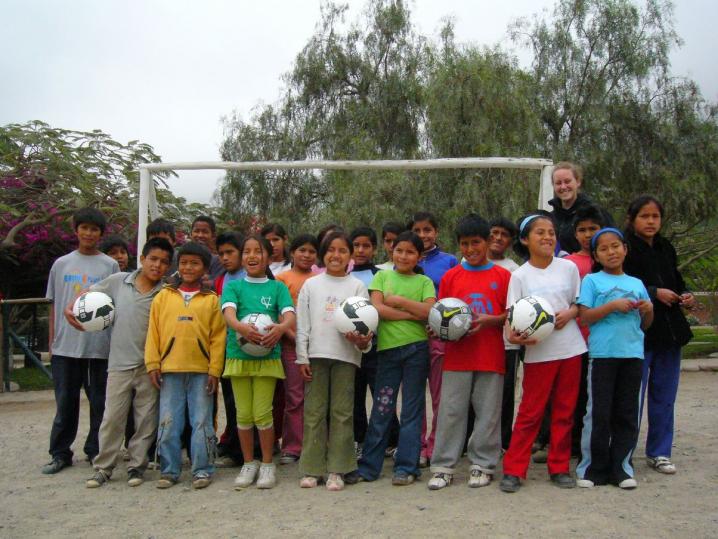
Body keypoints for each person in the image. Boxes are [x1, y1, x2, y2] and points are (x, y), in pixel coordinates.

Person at [499, 213, 587, 493]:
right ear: (525, 239)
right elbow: (512, 314)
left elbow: (579, 303)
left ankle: (559, 467)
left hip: (571, 349)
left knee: (565, 410)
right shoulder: (520, 276)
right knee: (530, 412)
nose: (548, 237)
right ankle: (514, 469)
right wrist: (514, 335)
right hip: (539, 353)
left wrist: (570, 313)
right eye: (540, 232)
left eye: (551, 231)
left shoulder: (568, 268)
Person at [81, 238, 173, 488]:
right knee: (112, 418)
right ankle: (103, 467)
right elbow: (87, 298)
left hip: (149, 366)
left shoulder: (165, 293)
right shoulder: (118, 282)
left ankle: (137, 466)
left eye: (164, 262)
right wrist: (73, 310)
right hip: (119, 364)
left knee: (145, 419)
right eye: (153, 259)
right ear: (142, 259)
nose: (157, 265)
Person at [427, 215, 510, 490]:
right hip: (457, 357)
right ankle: (442, 466)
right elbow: (442, 313)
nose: (471, 249)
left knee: (488, 413)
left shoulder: (503, 276)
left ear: (488, 242)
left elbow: (510, 316)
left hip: (490, 356)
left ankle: (483, 464)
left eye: (476, 242)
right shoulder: (451, 277)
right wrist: (438, 328)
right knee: (451, 411)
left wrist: (490, 320)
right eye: (464, 244)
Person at [42, 207, 120, 475]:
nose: (89, 233)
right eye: (84, 228)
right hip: (66, 347)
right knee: (65, 402)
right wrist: (52, 343)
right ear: (76, 230)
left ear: (100, 233)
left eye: (94, 229)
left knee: (99, 401)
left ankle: (95, 450)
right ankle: (60, 452)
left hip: (98, 347)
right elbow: (54, 306)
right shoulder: (61, 264)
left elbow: (114, 305)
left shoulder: (109, 265)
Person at [576, 228, 654, 489]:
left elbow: (644, 325)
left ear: (625, 249)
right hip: (602, 355)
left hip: (632, 354)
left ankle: (621, 467)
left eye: (616, 246)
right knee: (599, 412)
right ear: (596, 256)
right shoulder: (592, 281)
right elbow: (584, 317)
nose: (611, 252)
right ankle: (592, 468)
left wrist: (648, 309)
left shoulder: (637, 283)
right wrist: (611, 306)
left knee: (627, 412)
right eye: (604, 249)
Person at [144, 242, 226, 489]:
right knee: (169, 421)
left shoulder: (212, 301)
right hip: (170, 371)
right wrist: (152, 364)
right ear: (177, 266)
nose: (188, 267)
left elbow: (218, 338)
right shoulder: (163, 297)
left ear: (204, 268)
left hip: (202, 373)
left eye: (195, 263)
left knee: (201, 422)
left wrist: (214, 370)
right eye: (184, 263)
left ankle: (202, 469)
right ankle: (169, 469)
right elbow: (153, 333)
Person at [623, 195, 695, 475]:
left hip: (670, 331)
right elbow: (619, 283)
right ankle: (624, 450)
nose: (651, 221)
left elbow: (675, 281)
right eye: (644, 216)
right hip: (639, 331)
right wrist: (652, 292)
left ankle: (660, 451)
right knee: (632, 396)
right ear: (632, 219)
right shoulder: (625, 249)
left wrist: (684, 295)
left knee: (665, 395)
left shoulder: (666, 247)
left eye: (655, 216)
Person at [296, 231, 373, 490]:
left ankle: (338, 470)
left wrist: (363, 341)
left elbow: (366, 326)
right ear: (323, 254)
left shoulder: (356, 286)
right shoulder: (311, 285)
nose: (336, 255)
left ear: (350, 256)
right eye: (331, 250)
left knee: (341, 413)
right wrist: (302, 357)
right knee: (314, 412)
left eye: (342, 250)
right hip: (316, 356)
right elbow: (302, 325)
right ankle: (311, 468)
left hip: (345, 357)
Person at [358, 231, 436, 485]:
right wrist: (413, 314)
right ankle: (370, 466)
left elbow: (430, 310)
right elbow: (377, 308)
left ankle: (406, 467)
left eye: (410, 252)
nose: (403, 255)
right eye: (399, 250)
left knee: (412, 409)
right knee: (382, 407)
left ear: (419, 256)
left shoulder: (424, 282)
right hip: (388, 351)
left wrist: (400, 301)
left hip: (417, 350)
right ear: (391, 251)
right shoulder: (381, 276)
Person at [222, 235, 296, 489]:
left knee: (263, 413)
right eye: (247, 251)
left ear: (268, 256)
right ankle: (248, 462)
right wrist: (241, 328)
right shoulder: (233, 286)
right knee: (243, 414)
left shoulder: (277, 288)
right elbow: (228, 314)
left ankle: (266, 464)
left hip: (267, 359)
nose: (252, 256)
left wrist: (280, 328)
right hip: (238, 358)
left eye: (258, 251)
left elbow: (288, 314)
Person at [410, 211, 458, 467]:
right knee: (415, 394)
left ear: (436, 232)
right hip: (413, 336)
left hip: (441, 336)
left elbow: (455, 297)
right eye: (417, 231)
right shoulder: (405, 261)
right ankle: (417, 445)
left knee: (441, 395)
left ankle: (437, 445)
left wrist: (440, 325)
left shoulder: (450, 262)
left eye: (427, 230)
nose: (422, 236)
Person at [275, 234, 319, 464]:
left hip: (318, 347)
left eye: (312, 251)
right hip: (291, 346)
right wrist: (296, 340)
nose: (306, 255)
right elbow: (282, 315)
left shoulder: (319, 279)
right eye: (302, 250)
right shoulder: (282, 279)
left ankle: (315, 444)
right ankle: (292, 447)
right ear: (292, 252)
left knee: (316, 398)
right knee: (294, 397)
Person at [487, 217, 521, 451]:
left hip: (506, 343)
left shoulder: (514, 270)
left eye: (504, 234)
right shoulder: (468, 262)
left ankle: (504, 441)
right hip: (478, 340)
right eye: (494, 232)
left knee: (505, 393)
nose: (498, 238)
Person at [214, 231, 246, 467]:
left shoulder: (253, 276)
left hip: (251, 348)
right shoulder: (221, 279)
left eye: (230, 252)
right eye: (221, 253)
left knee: (248, 403)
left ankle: (246, 450)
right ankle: (234, 447)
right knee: (231, 401)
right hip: (227, 348)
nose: (225, 258)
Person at [547, 161, 613, 254]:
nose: (563, 186)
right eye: (558, 183)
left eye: (567, 181)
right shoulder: (550, 219)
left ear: (578, 182)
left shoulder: (597, 213)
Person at [190, 215, 224, 280]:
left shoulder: (218, 261)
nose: (200, 235)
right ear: (191, 234)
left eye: (205, 232)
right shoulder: (182, 257)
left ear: (213, 236)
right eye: (196, 231)